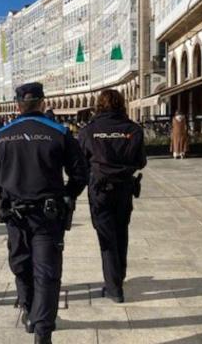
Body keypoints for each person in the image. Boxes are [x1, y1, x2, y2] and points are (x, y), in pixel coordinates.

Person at [0, 82, 88, 344]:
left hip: (15, 214)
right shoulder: (59, 132)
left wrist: (9, 193)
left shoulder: (1, 135)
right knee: (47, 272)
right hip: (47, 214)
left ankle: (30, 312)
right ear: (43, 102)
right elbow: (80, 174)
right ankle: (43, 331)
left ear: (17, 105)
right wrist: (66, 195)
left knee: (21, 265)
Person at [78, 90, 147, 303]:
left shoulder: (89, 131)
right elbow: (141, 161)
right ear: (121, 104)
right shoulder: (133, 130)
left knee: (106, 237)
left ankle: (114, 287)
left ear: (99, 105)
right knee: (121, 232)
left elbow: (81, 162)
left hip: (99, 190)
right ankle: (119, 274)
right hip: (124, 188)